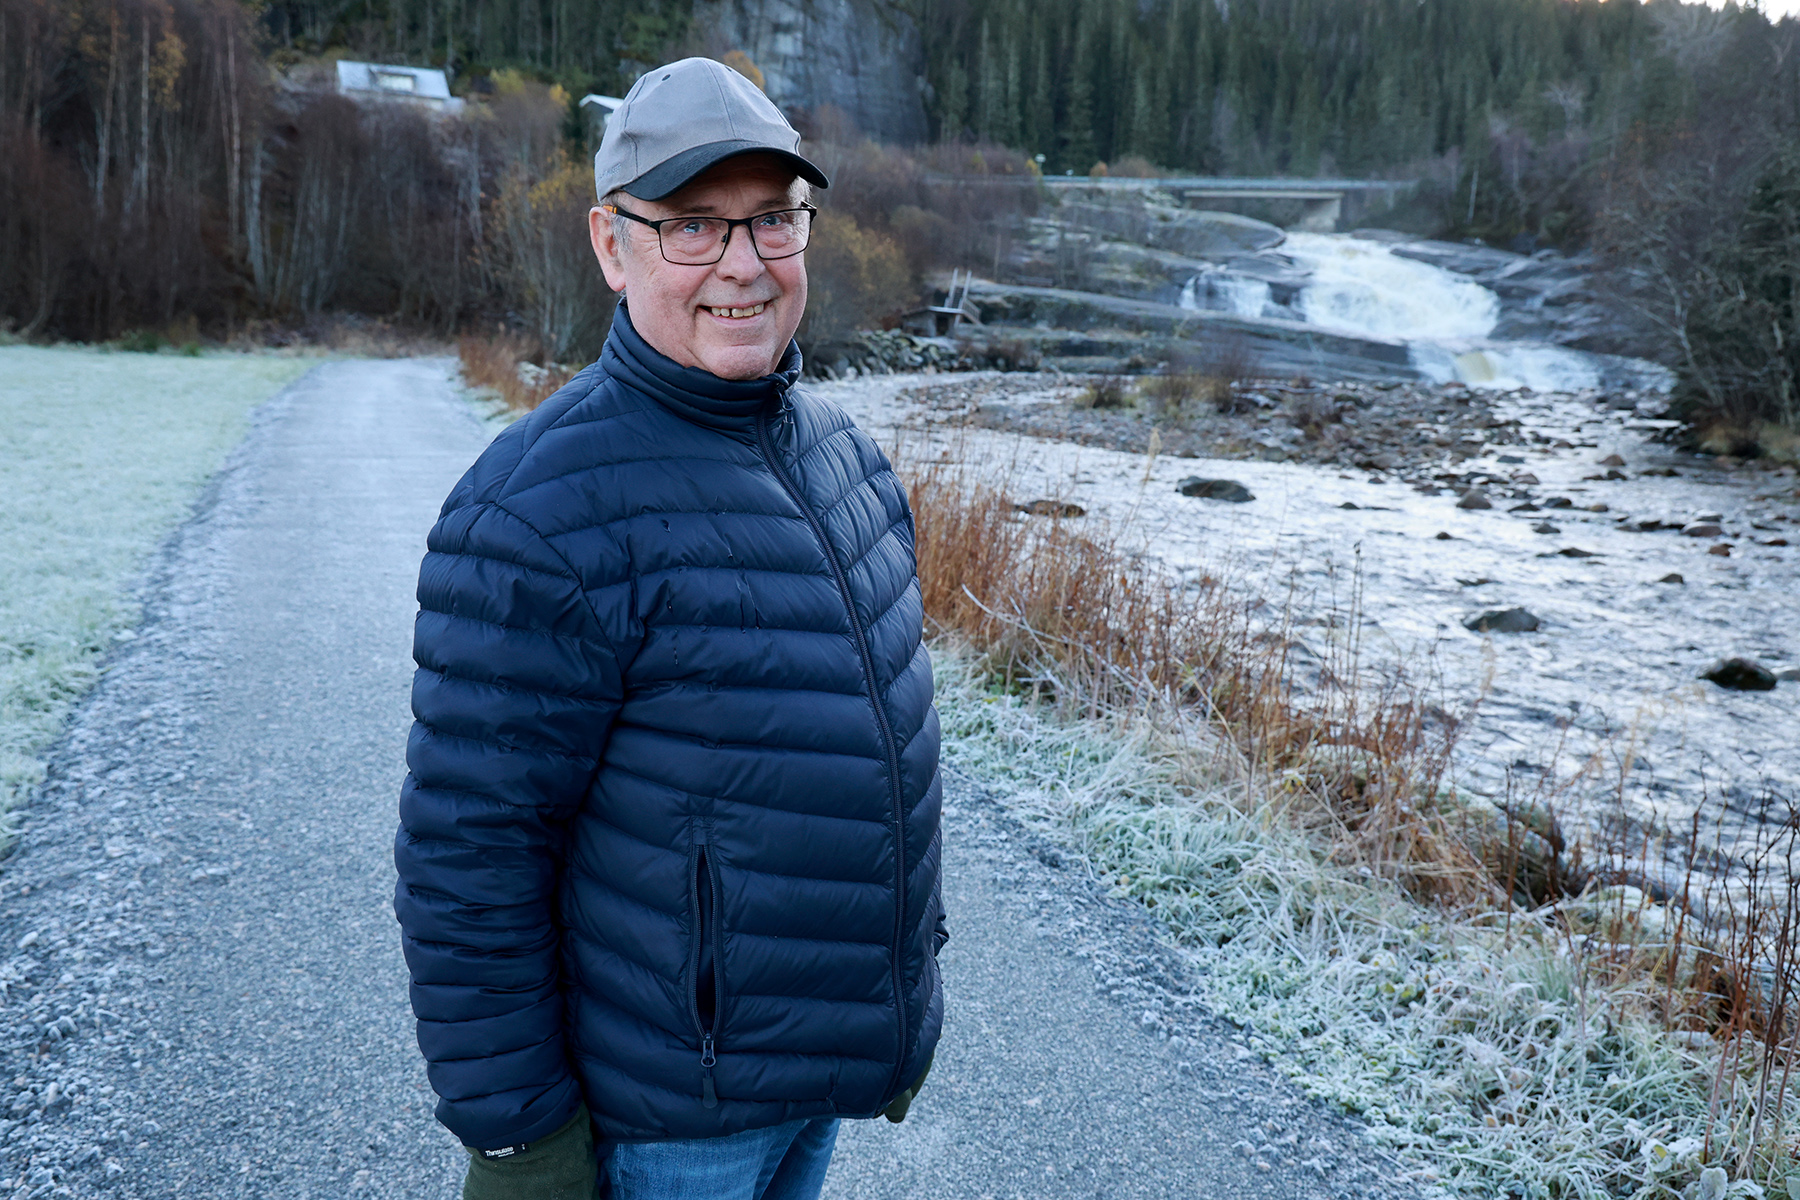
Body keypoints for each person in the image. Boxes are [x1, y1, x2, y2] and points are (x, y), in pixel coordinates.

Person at [393, 57, 945, 1200]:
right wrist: (516, 1143)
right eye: (694, 225)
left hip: (808, 1087)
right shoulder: (538, 511)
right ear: (612, 245)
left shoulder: (849, 465)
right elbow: (468, 857)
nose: (743, 265)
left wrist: (899, 1012)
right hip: (660, 1124)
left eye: (772, 221)